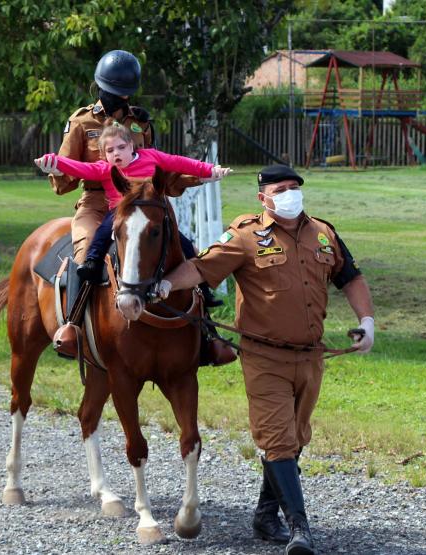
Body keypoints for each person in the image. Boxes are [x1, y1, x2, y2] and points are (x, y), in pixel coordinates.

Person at [154, 164, 375, 555]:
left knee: (295, 436)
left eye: (295, 187)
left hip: (311, 356)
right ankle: (300, 529)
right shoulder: (243, 237)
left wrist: (367, 322)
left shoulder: (323, 233)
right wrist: (167, 283)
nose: (290, 193)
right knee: (278, 438)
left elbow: (351, 278)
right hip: (264, 357)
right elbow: (202, 268)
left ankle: (265, 515)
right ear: (263, 198)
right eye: (281, 188)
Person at [35, 123, 231, 290]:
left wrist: (209, 170)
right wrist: (54, 162)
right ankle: (92, 262)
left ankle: (203, 292)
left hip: (151, 212)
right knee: (103, 231)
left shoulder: (151, 156)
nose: (116, 154)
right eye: (110, 151)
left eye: (121, 147)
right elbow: (81, 168)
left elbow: (179, 163)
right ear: (103, 155)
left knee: (185, 247)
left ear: (131, 146)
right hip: (121, 212)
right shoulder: (105, 169)